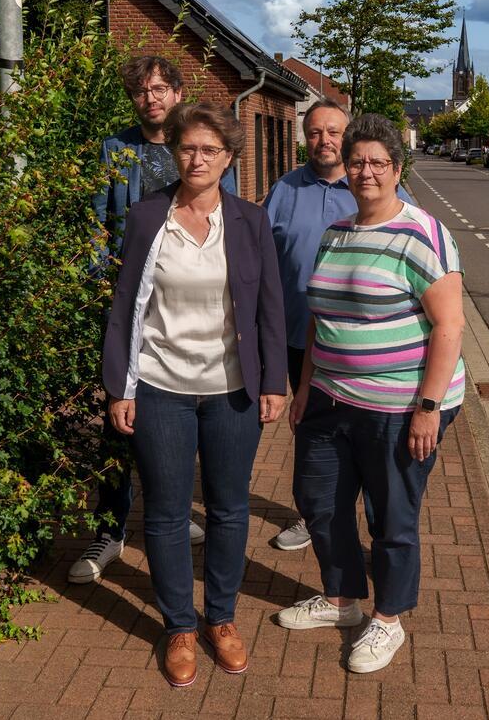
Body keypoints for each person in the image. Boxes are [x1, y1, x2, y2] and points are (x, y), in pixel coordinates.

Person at [102, 101, 287, 687]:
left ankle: (221, 618)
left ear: (229, 158)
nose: (198, 159)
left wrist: (274, 381)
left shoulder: (250, 221)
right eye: (188, 148)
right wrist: (120, 387)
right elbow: (125, 308)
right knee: (165, 511)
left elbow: (270, 306)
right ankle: (180, 625)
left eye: (210, 150)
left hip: (232, 390)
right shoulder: (146, 216)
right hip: (160, 387)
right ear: (174, 153)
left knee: (229, 508)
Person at [276, 113, 465, 675]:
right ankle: (341, 600)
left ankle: (388, 617)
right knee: (320, 501)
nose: (366, 172)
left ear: (397, 169)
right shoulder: (337, 233)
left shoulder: (423, 234)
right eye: (357, 161)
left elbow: (449, 326)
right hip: (330, 397)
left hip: (399, 405)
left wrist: (427, 408)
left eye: (378, 162)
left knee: (391, 514)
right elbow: (319, 318)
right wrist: (305, 386)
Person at [70, 57, 233, 585]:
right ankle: (110, 529)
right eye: (141, 91)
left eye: (160, 88)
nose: (151, 98)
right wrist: (106, 286)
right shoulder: (116, 150)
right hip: (133, 307)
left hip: (189, 311)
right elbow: (98, 224)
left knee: (181, 418)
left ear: (178, 92)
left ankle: (174, 513)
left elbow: (224, 220)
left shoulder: (199, 147)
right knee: (119, 421)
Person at [262, 99, 411, 552]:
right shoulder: (284, 190)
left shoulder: (374, 184)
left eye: (333, 132)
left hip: (368, 348)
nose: (323, 140)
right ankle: (314, 516)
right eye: (314, 132)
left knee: (372, 440)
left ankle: (380, 531)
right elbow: (262, 262)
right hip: (300, 339)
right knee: (312, 429)